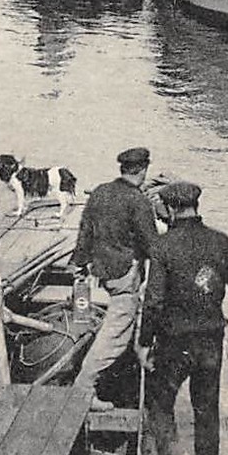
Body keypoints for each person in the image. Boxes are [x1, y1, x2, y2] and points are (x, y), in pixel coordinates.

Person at [137, 180, 228, 455]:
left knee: (160, 401)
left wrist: (145, 343)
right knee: (207, 406)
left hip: (173, 341)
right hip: (210, 339)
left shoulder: (162, 247)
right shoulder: (221, 242)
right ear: (195, 206)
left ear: (172, 209)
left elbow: (154, 301)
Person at [71, 147, 160, 409]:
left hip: (99, 270)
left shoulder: (99, 191)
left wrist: (79, 265)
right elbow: (152, 245)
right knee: (117, 334)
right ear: (143, 171)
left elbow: (85, 230)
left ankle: (87, 351)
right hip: (123, 274)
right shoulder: (139, 200)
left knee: (92, 319)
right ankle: (84, 388)